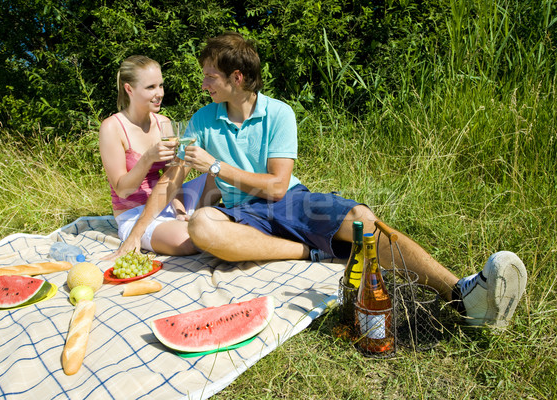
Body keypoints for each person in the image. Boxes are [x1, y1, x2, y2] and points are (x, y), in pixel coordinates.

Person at [121, 34, 527, 328]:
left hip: (288, 200)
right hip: (241, 212)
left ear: (238, 78)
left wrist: (214, 167)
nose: (204, 83)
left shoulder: (279, 114)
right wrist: (133, 236)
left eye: (211, 76)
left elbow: (278, 186)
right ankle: (310, 253)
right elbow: (170, 182)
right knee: (201, 224)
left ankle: (461, 294)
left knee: (363, 222)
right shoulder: (202, 120)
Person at [99, 55, 218, 258]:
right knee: (188, 241)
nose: (159, 93)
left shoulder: (163, 122)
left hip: (166, 201)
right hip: (133, 212)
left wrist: (180, 209)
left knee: (219, 172)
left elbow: (172, 178)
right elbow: (123, 190)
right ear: (129, 89)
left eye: (161, 86)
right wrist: (148, 158)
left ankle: (196, 217)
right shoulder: (112, 127)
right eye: (150, 87)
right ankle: (198, 222)